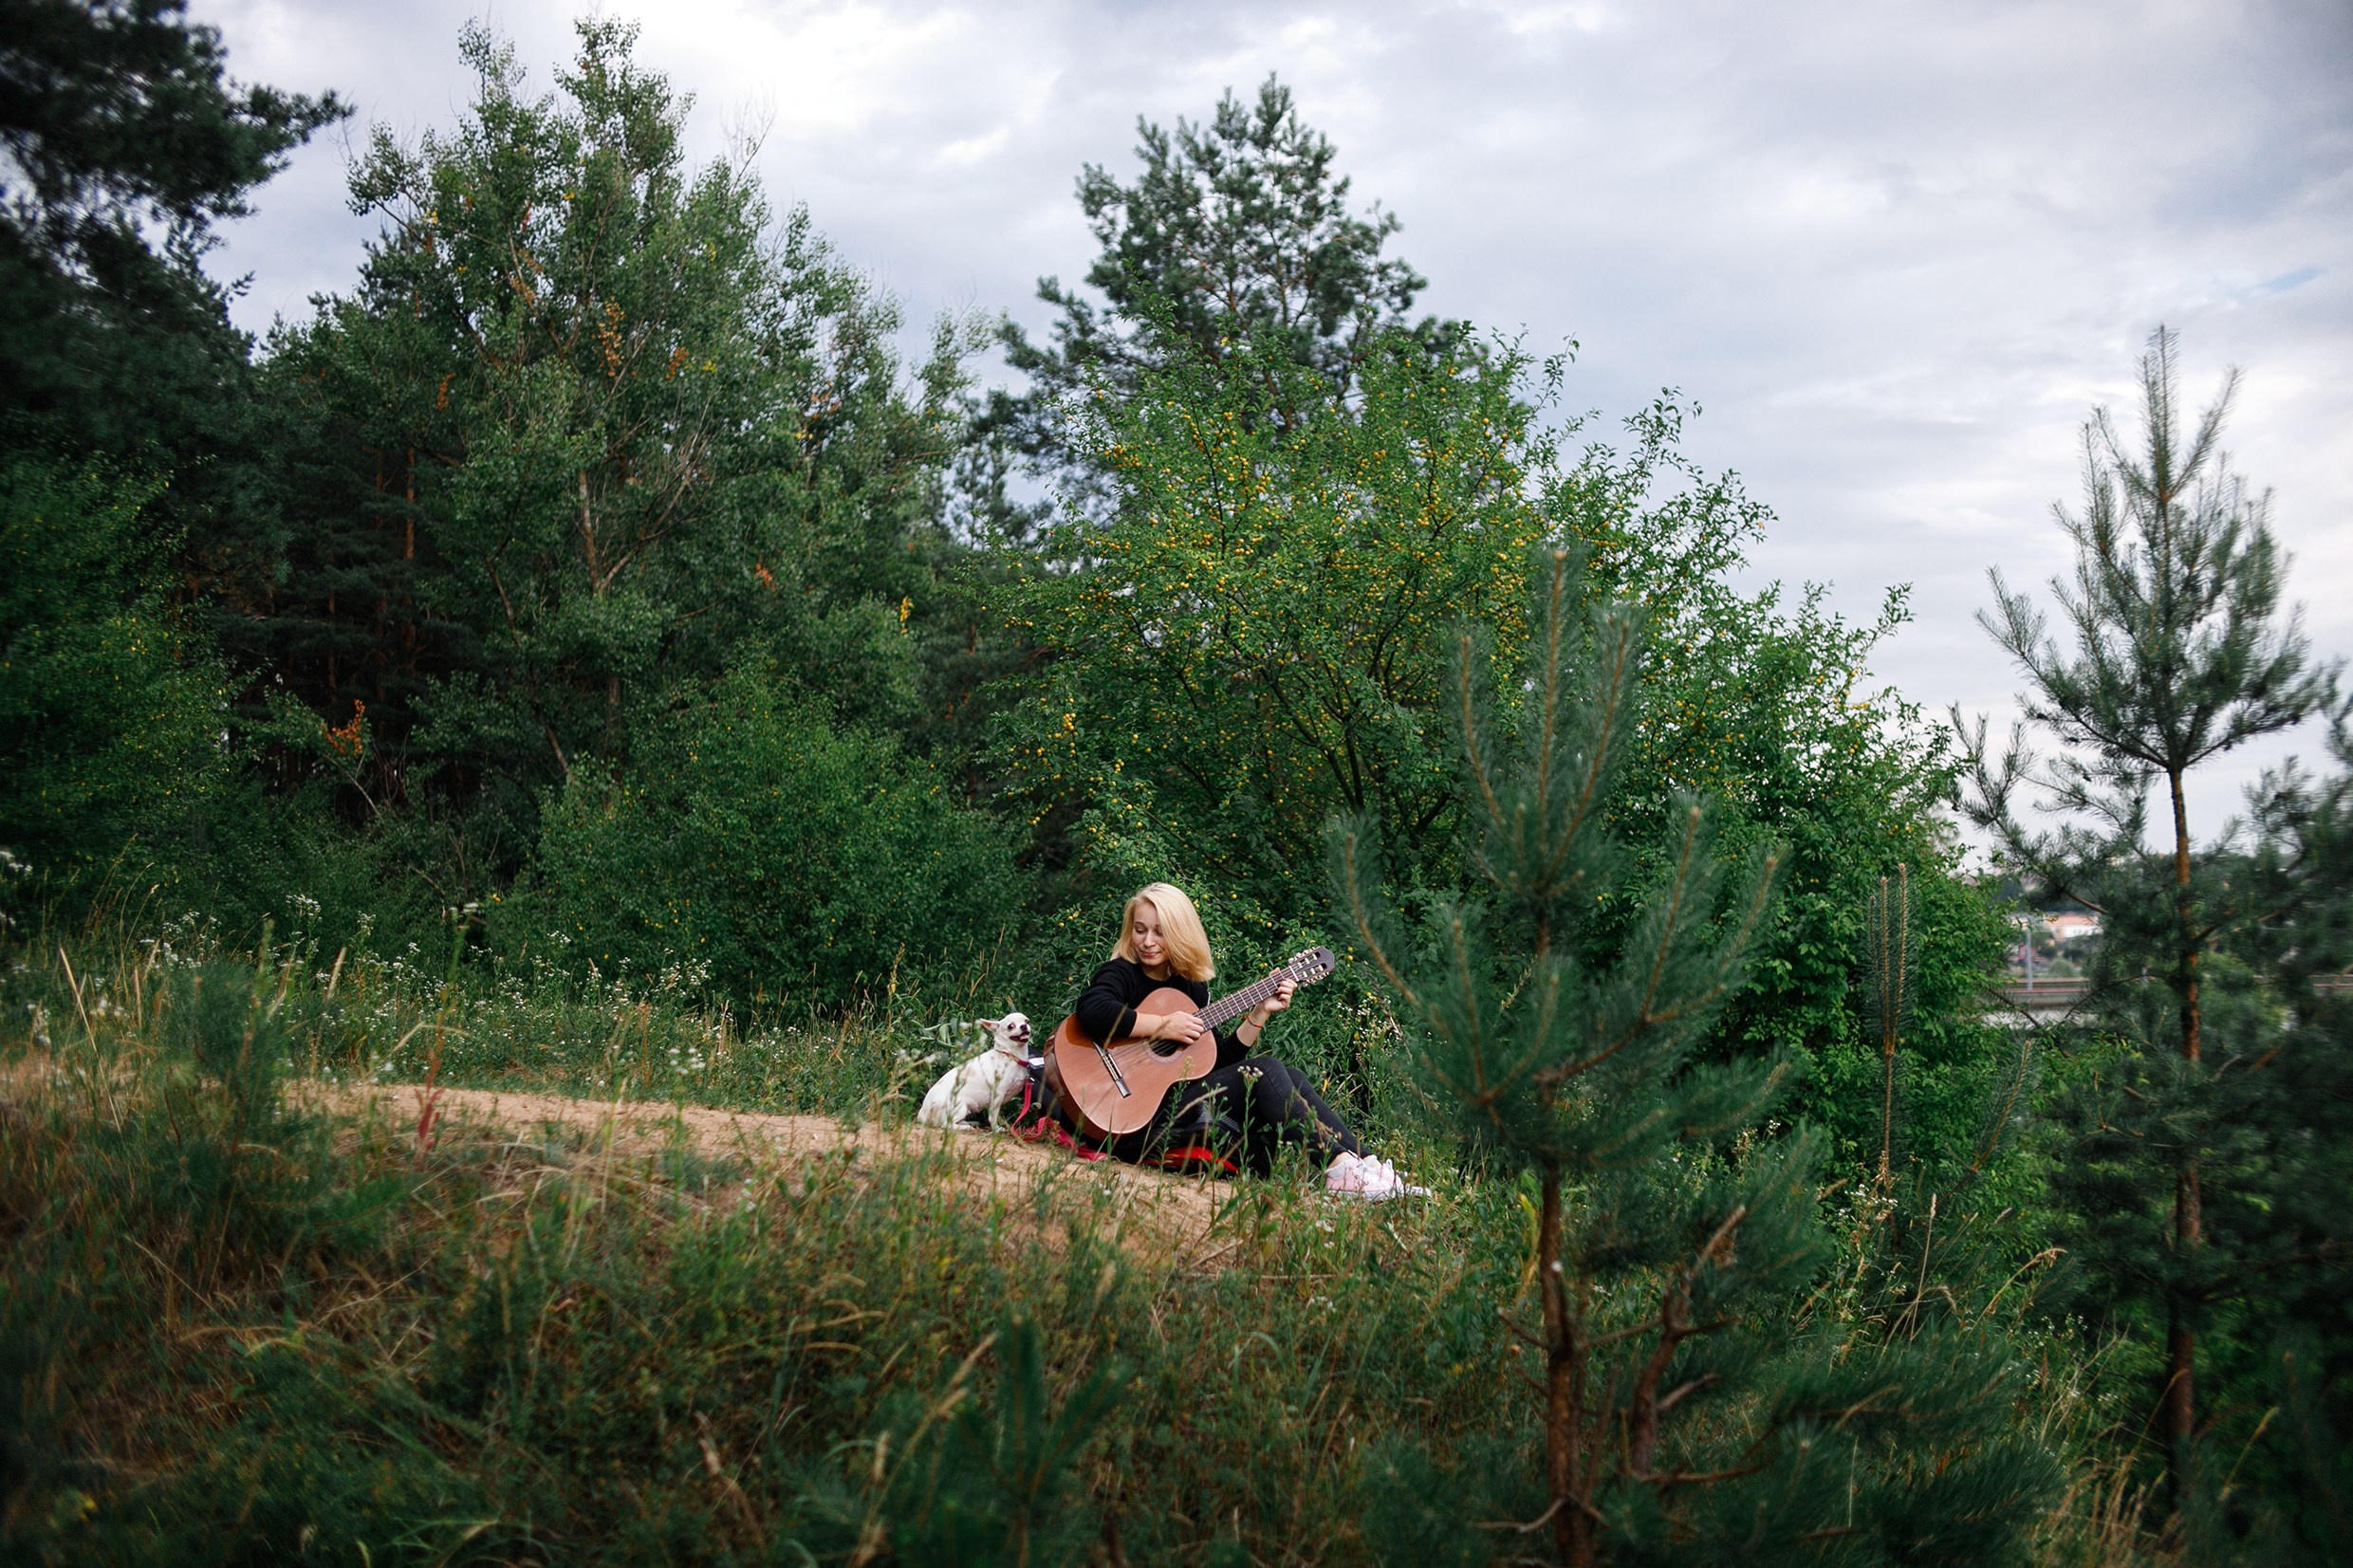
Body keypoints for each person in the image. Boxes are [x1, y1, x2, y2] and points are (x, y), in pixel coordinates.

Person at [1065, 882, 1421, 1200]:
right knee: (1264, 1070)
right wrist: (1161, 1025)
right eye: (1140, 930)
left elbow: (1216, 1062)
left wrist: (1260, 1013)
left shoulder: (1191, 988)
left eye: (1159, 932)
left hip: (1171, 1104)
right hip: (1134, 1116)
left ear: (1179, 933)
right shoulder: (1122, 973)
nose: (1147, 941)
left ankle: (1366, 1166)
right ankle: (1339, 1170)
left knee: (1289, 1075)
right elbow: (1092, 1011)